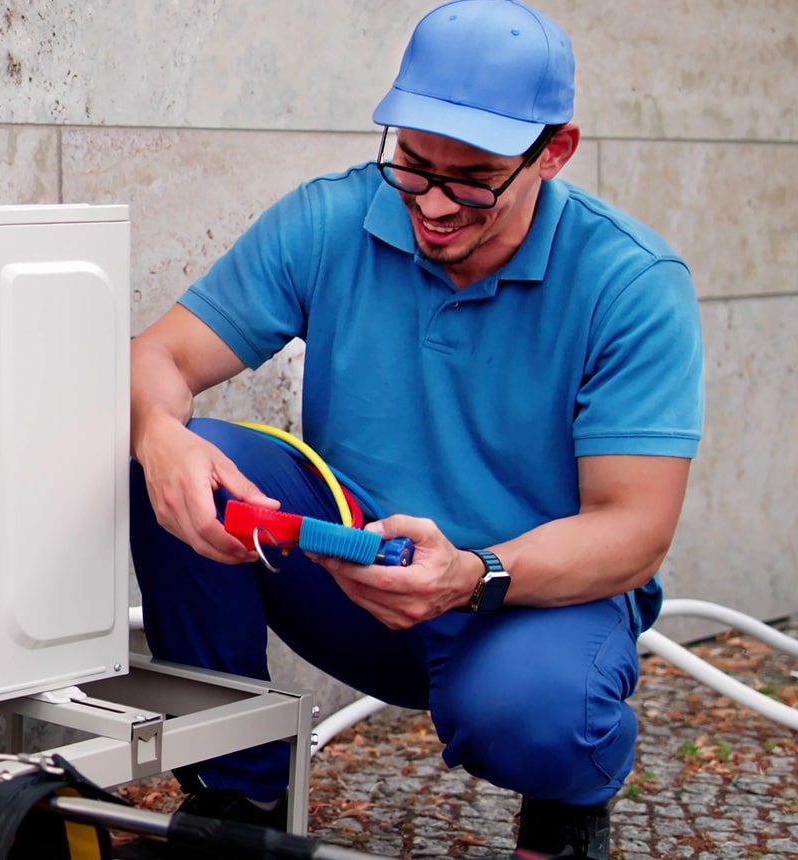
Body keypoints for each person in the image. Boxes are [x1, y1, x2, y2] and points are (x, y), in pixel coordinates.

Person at [128, 2, 701, 858]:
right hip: (355, 573)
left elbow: (635, 530)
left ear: (556, 151)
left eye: (472, 177)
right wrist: (157, 433)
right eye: (413, 163)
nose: (431, 202)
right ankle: (235, 805)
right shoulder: (333, 219)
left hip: (522, 603)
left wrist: (471, 575)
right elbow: (158, 358)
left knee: (538, 715)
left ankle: (565, 805)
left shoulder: (631, 284)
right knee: (184, 469)